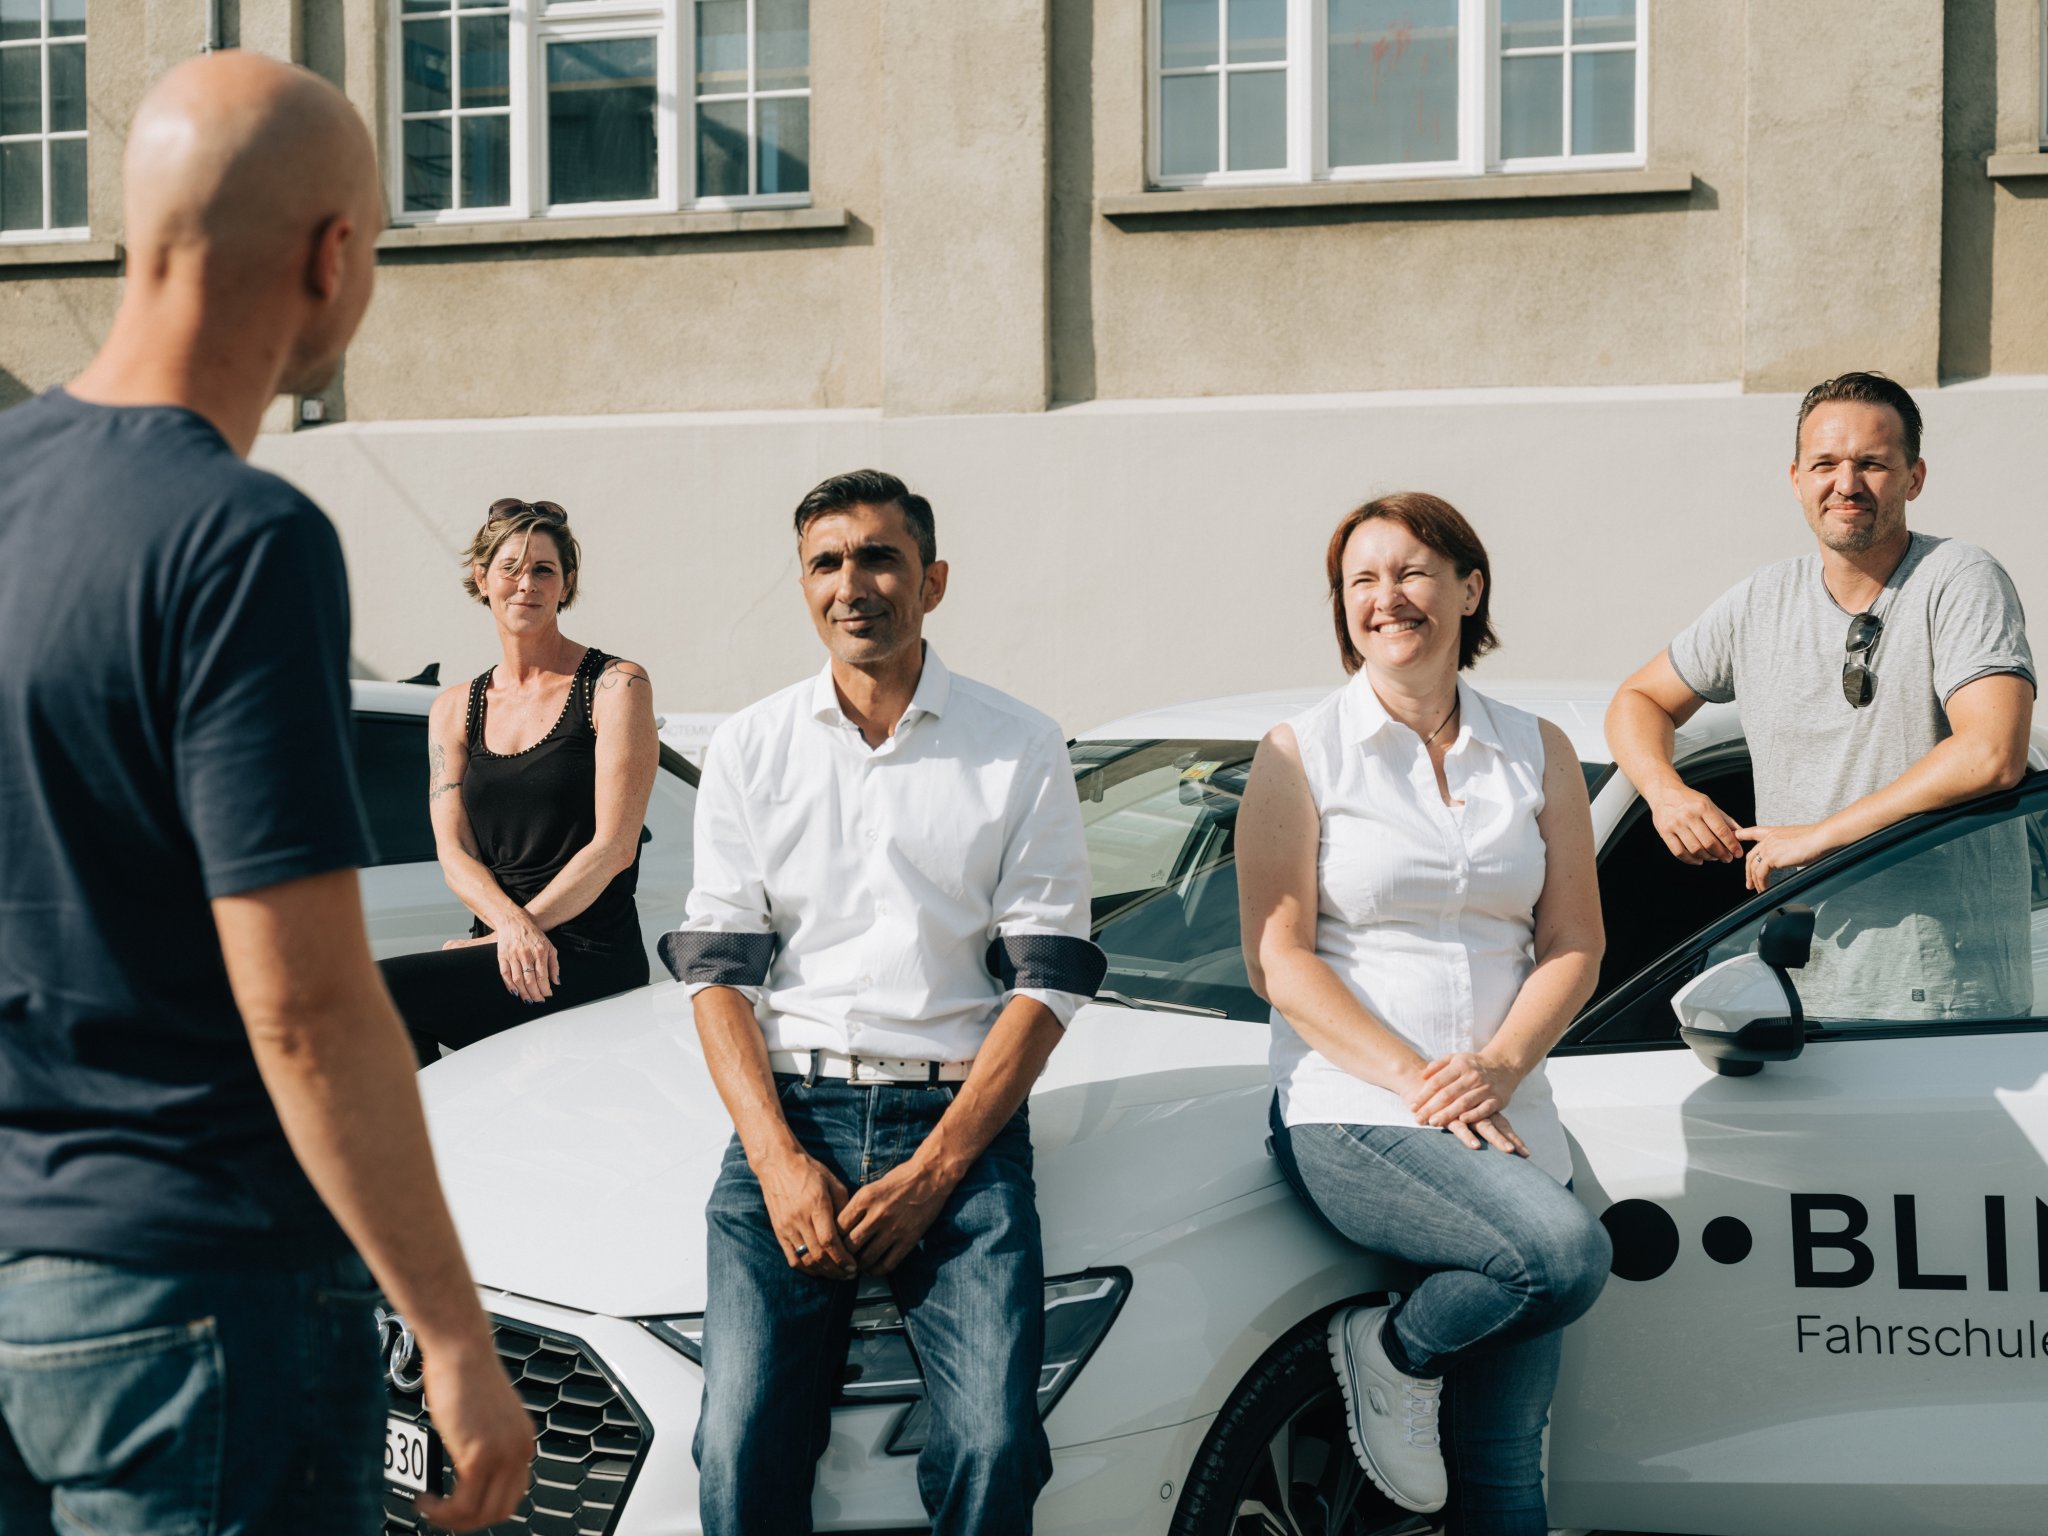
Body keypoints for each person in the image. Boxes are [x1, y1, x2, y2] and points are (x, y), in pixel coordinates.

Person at [0, 52, 530, 1535]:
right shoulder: (241, 540)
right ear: (333, 256)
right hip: (196, 1297)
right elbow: (301, 1005)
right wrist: (454, 1338)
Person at [665, 469, 1105, 1536]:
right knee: (735, 1443)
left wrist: (939, 1169)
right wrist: (774, 1162)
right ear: (803, 584)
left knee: (994, 1445)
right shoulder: (751, 746)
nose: (850, 584)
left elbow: (1047, 980)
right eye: (825, 561)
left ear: (931, 580)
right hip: (792, 1118)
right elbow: (719, 975)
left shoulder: (1018, 745)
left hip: (956, 1133)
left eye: (877, 558)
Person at [1237, 493, 1611, 1532]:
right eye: (1360, 579)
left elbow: (1572, 941)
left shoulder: (1535, 749)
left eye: (1407, 571)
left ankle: (1405, 1359)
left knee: (1498, 1467)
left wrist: (1494, 1065)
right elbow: (1277, 954)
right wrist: (1418, 1078)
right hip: (1356, 1110)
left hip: (1505, 1113)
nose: (1383, 597)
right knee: (1560, 1256)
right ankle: (1392, 1352)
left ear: (1466, 587)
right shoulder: (1300, 752)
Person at [1607, 371, 2036, 1019]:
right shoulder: (1760, 600)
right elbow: (1638, 699)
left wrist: (1819, 840)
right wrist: (1667, 793)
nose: (1846, 483)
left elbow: (1992, 752)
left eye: (1873, 464)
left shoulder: (1959, 578)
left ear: (1914, 478)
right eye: (1825, 464)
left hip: (1938, 999)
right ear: (1796, 479)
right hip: (1795, 987)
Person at [379, 498, 657, 1063]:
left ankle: (422, 1148)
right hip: (505, 948)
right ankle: (439, 1141)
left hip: (585, 948)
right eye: (509, 568)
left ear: (567, 583)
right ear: (482, 579)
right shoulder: (454, 708)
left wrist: (518, 930)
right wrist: (508, 928)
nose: (525, 583)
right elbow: (453, 849)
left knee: (377, 994)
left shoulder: (614, 686)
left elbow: (615, 847)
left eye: (543, 570)